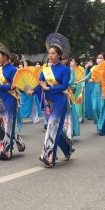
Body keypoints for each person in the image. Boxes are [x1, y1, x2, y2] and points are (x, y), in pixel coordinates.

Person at [36, 33, 73, 168]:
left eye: (53, 53)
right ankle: (67, 148)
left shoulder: (64, 69)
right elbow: (40, 83)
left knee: (52, 126)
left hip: (60, 101)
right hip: (49, 102)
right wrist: (31, 90)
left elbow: (64, 86)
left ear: (59, 55)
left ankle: (48, 157)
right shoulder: (45, 70)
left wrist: (49, 88)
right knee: (56, 128)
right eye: (49, 53)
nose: (50, 55)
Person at [0, 39, 25, 160]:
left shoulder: (13, 70)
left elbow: (12, 86)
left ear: (5, 56)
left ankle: (7, 149)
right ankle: (6, 142)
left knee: (8, 123)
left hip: (10, 98)